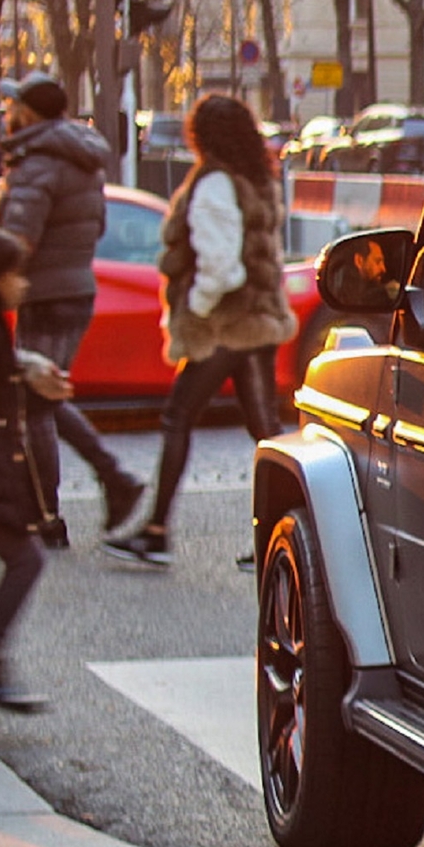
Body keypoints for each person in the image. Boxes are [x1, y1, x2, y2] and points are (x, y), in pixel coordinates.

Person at [105, 95, 293, 567]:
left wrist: (196, 310)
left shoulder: (213, 184)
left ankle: (157, 530)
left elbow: (221, 269)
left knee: (179, 418)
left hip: (225, 327)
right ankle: (278, 534)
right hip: (258, 319)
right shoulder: (257, 178)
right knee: (265, 430)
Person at [0, 74, 139, 546]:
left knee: (37, 400)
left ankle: (58, 510)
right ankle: (60, 506)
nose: (5, 111)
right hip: (75, 288)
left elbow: (17, 239)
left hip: (45, 295)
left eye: (11, 104)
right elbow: (94, 227)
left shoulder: (38, 164)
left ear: (28, 114)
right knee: (40, 397)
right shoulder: (81, 158)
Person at [0, 226, 70, 709]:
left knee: (25, 559)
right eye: (14, 274)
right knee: (26, 559)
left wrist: (26, 368)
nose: (22, 284)